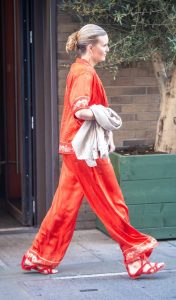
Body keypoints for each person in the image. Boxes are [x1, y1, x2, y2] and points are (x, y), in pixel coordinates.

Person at [21, 24, 165, 278]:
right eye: (105, 45)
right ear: (91, 47)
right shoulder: (85, 73)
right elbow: (80, 110)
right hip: (85, 152)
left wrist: (104, 130)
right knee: (112, 201)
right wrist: (106, 115)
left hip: (73, 148)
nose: (108, 50)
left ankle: (40, 256)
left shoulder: (78, 69)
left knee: (64, 205)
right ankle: (135, 254)